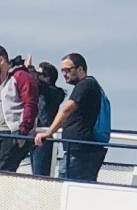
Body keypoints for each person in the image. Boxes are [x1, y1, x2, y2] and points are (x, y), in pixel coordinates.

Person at [36, 52, 108, 181]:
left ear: (80, 69)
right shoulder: (88, 86)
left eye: (68, 70)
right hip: (78, 150)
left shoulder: (85, 84)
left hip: (80, 151)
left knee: (67, 186)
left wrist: (49, 132)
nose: (64, 74)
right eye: (62, 70)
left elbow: (66, 109)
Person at [0, 44, 37, 172]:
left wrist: (22, 133)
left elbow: (30, 103)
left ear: (1, 60)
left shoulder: (20, 77)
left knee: (4, 172)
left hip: (11, 132)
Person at [29, 60, 65, 179]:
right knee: (35, 173)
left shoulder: (55, 93)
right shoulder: (40, 93)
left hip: (45, 136)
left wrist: (30, 68)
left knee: (41, 175)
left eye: (40, 74)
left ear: (48, 78)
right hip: (35, 135)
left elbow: (39, 83)